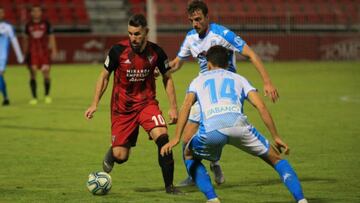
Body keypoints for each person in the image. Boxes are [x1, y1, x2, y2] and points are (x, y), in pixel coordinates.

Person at [161, 45, 307, 203]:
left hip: (212, 130)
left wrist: (176, 137)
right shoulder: (240, 79)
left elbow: (187, 106)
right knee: (276, 159)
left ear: (208, 64)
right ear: (228, 62)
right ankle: (301, 199)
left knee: (189, 155)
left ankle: (212, 198)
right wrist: (276, 136)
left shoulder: (198, 80)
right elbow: (261, 106)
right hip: (239, 126)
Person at [170, 0, 279, 186]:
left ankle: (214, 162)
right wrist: (161, 69)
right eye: (191, 20)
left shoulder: (222, 34)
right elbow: (177, 63)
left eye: (198, 19)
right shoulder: (190, 38)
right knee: (186, 139)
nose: (195, 24)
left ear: (207, 17)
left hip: (226, 93)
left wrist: (267, 82)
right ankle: (198, 174)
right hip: (203, 92)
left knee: (218, 130)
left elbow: (251, 54)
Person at [84, 14, 180, 194]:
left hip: (147, 104)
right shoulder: (117, 51)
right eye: (130, 33)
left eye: (137, 34)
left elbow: (167, 78)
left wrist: (173, 107)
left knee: (163, 137)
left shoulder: (157, 52)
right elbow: (104, 77)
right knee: (121, 156)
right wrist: (94, 103)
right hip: (122, 109)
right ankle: (112, 153)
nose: (133, 38)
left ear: (146, 32)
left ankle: (170, 187)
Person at [23, 5, 57, 105]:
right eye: (34, 11)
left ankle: (47, 95)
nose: (36, 13)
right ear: (31, 13)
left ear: (41, 13)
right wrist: (24, 52)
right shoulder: (28, 25)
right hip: (32, 53)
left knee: (46, 73)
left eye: (38, 11)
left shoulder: (46, 24)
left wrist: (54, 50)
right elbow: (25, 40)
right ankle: (34, 97)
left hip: (44, 53)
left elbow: (51, 37)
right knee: (33, 73)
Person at [0, 7, 24, 106]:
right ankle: (6, 97)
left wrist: (20, 57)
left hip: (1, 57)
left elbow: (14, 41)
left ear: (3, 14)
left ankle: (6, 98)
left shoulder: (8, 27)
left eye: (1, 12)